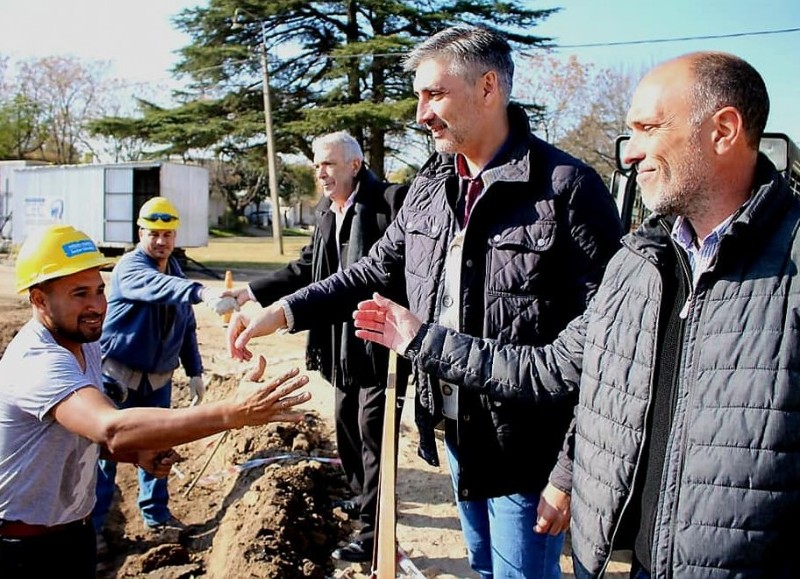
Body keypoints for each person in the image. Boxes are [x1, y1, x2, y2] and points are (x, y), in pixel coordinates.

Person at [352, 51, 797, 578]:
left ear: (723, 130)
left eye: (649, 129)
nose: (630, 153)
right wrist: (421, 340)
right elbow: (553, 370)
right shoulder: (637, 265)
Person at [228, 26, 622, 577]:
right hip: (456, 428)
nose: (420, 114)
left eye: (434, 95)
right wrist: (283, 311)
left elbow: (606, 349)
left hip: (527, 448)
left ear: (489, 88)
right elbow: (372, 270)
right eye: (419, 96)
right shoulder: (432, 185)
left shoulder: (567, 188)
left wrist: (571, 468)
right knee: (483, 567)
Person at [0, 224, 310, 578]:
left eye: (100, 291)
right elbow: (109, 428)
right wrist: (233, 412)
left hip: (72, 533)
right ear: (39, 299)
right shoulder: (39, 360)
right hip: (24, 548)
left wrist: (134, 454)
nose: (96, 306)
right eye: (79, 294)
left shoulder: (83, 341)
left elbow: (78, 434)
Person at [228, 131, 409, 563]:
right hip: (338, 343)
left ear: (354, 164)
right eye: (315, 164)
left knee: (373, 437)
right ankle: (359, 497)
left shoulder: (390, 204)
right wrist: (251, 293)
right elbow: (307, 267)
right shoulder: (328, 211)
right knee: (346, 425)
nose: (319, 172)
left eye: (327, 164)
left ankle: (375, 533)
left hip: (377, 345)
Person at [93, 196, 241, 543]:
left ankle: (156, 517)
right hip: (119, 379)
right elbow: (162, 290)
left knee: (158, 451)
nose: (161, 241)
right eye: (154, 233)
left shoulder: (173, 269)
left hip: (157, 382)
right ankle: (94, 528)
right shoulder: (131, 268)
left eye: (168, 234)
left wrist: (195, 371)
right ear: (140, 232)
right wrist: (202, 292)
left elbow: (185, 326)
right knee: (106, 456)